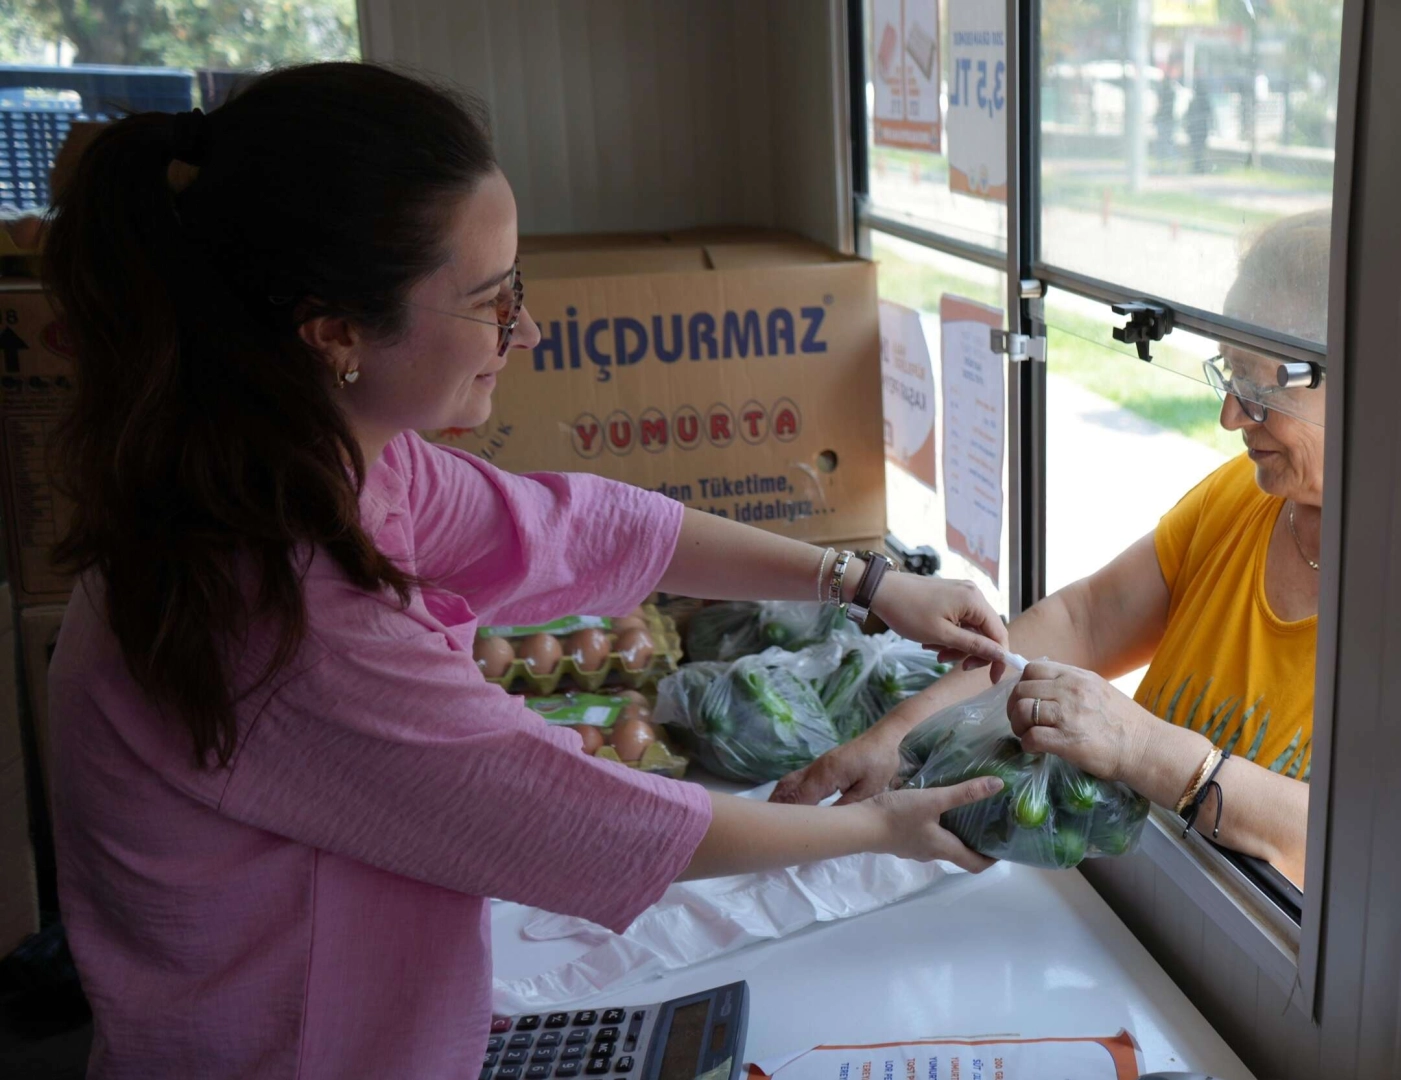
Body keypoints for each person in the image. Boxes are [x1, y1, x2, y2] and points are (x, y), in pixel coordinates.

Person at [42, 63, 1011, 1079]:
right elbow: (583, 819)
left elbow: (575, 526)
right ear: (336, 334)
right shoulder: (287, 613)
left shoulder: (315, 464)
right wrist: (874, 828)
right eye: (490, 302)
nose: (527, 331)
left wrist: (860, 582)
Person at [775, 210, 1332, 888]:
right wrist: (899, 736)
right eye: (1230, 376)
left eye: (1260, 384)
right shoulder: (1240, 500)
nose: (1230, 416)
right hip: (1121, 891)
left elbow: (1356, 840)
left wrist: (1143, 747)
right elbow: (1084, 621)